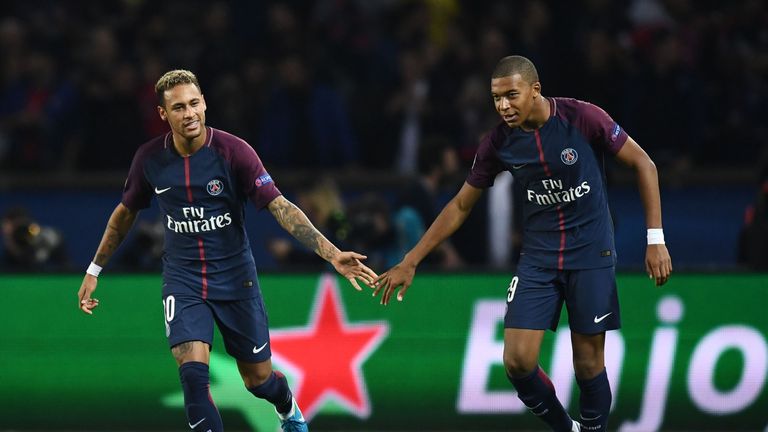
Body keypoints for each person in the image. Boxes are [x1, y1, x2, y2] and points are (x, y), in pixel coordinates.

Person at [373, 55, 672, 432]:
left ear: (535, 90)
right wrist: (412, 259)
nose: (503, 106)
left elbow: (644, 163)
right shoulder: (499, 142)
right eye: (496, 98)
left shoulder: (583, 118)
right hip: (539, 259)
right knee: (517, 361)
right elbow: (462, 204)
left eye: (511, 95)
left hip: (591, 252)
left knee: (589, 363)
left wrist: (655, 239)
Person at [76, 70, 377, 432]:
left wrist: (331, 253)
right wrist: (94, 270)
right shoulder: (149, 160)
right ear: (163, 114)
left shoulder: (234, 152)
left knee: (258, 381)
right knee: (193, 378)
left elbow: (281, 208)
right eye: (178, 107)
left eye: (193, 104)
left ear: (204, 103)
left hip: (236, 280)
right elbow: (124, 216)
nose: (188, 113)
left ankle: (286, 405)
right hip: (183, 281)